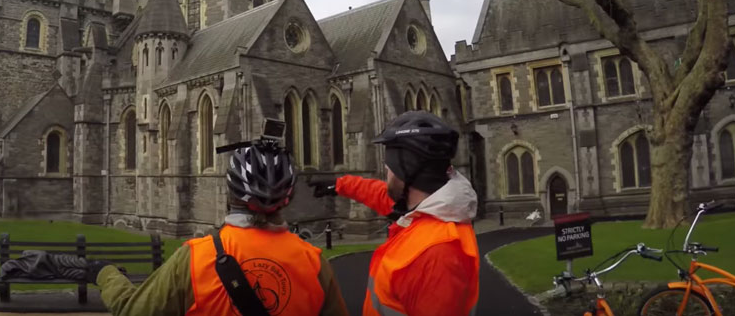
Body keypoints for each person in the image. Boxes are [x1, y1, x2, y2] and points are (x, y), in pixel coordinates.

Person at [88, 134, 349, 316]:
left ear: (230, 194)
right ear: (287, 198)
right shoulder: (314, 263)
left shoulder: (196, 257)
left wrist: (106, 273)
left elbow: (134, 311)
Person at [311, 111, 479, 316]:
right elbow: (382, 195)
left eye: (389, 167)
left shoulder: (437, 253)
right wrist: (338, 185)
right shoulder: (429, 210)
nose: (386, 172)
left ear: (405, 170)